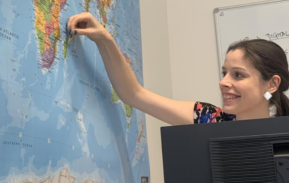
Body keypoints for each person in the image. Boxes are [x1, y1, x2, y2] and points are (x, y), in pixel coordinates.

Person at [67, 12, 289, 125]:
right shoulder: (207, 117)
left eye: (238, 74)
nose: (223, 82)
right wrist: (104, 39)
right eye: (224, 73)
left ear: (271, 84)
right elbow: (133, 94)